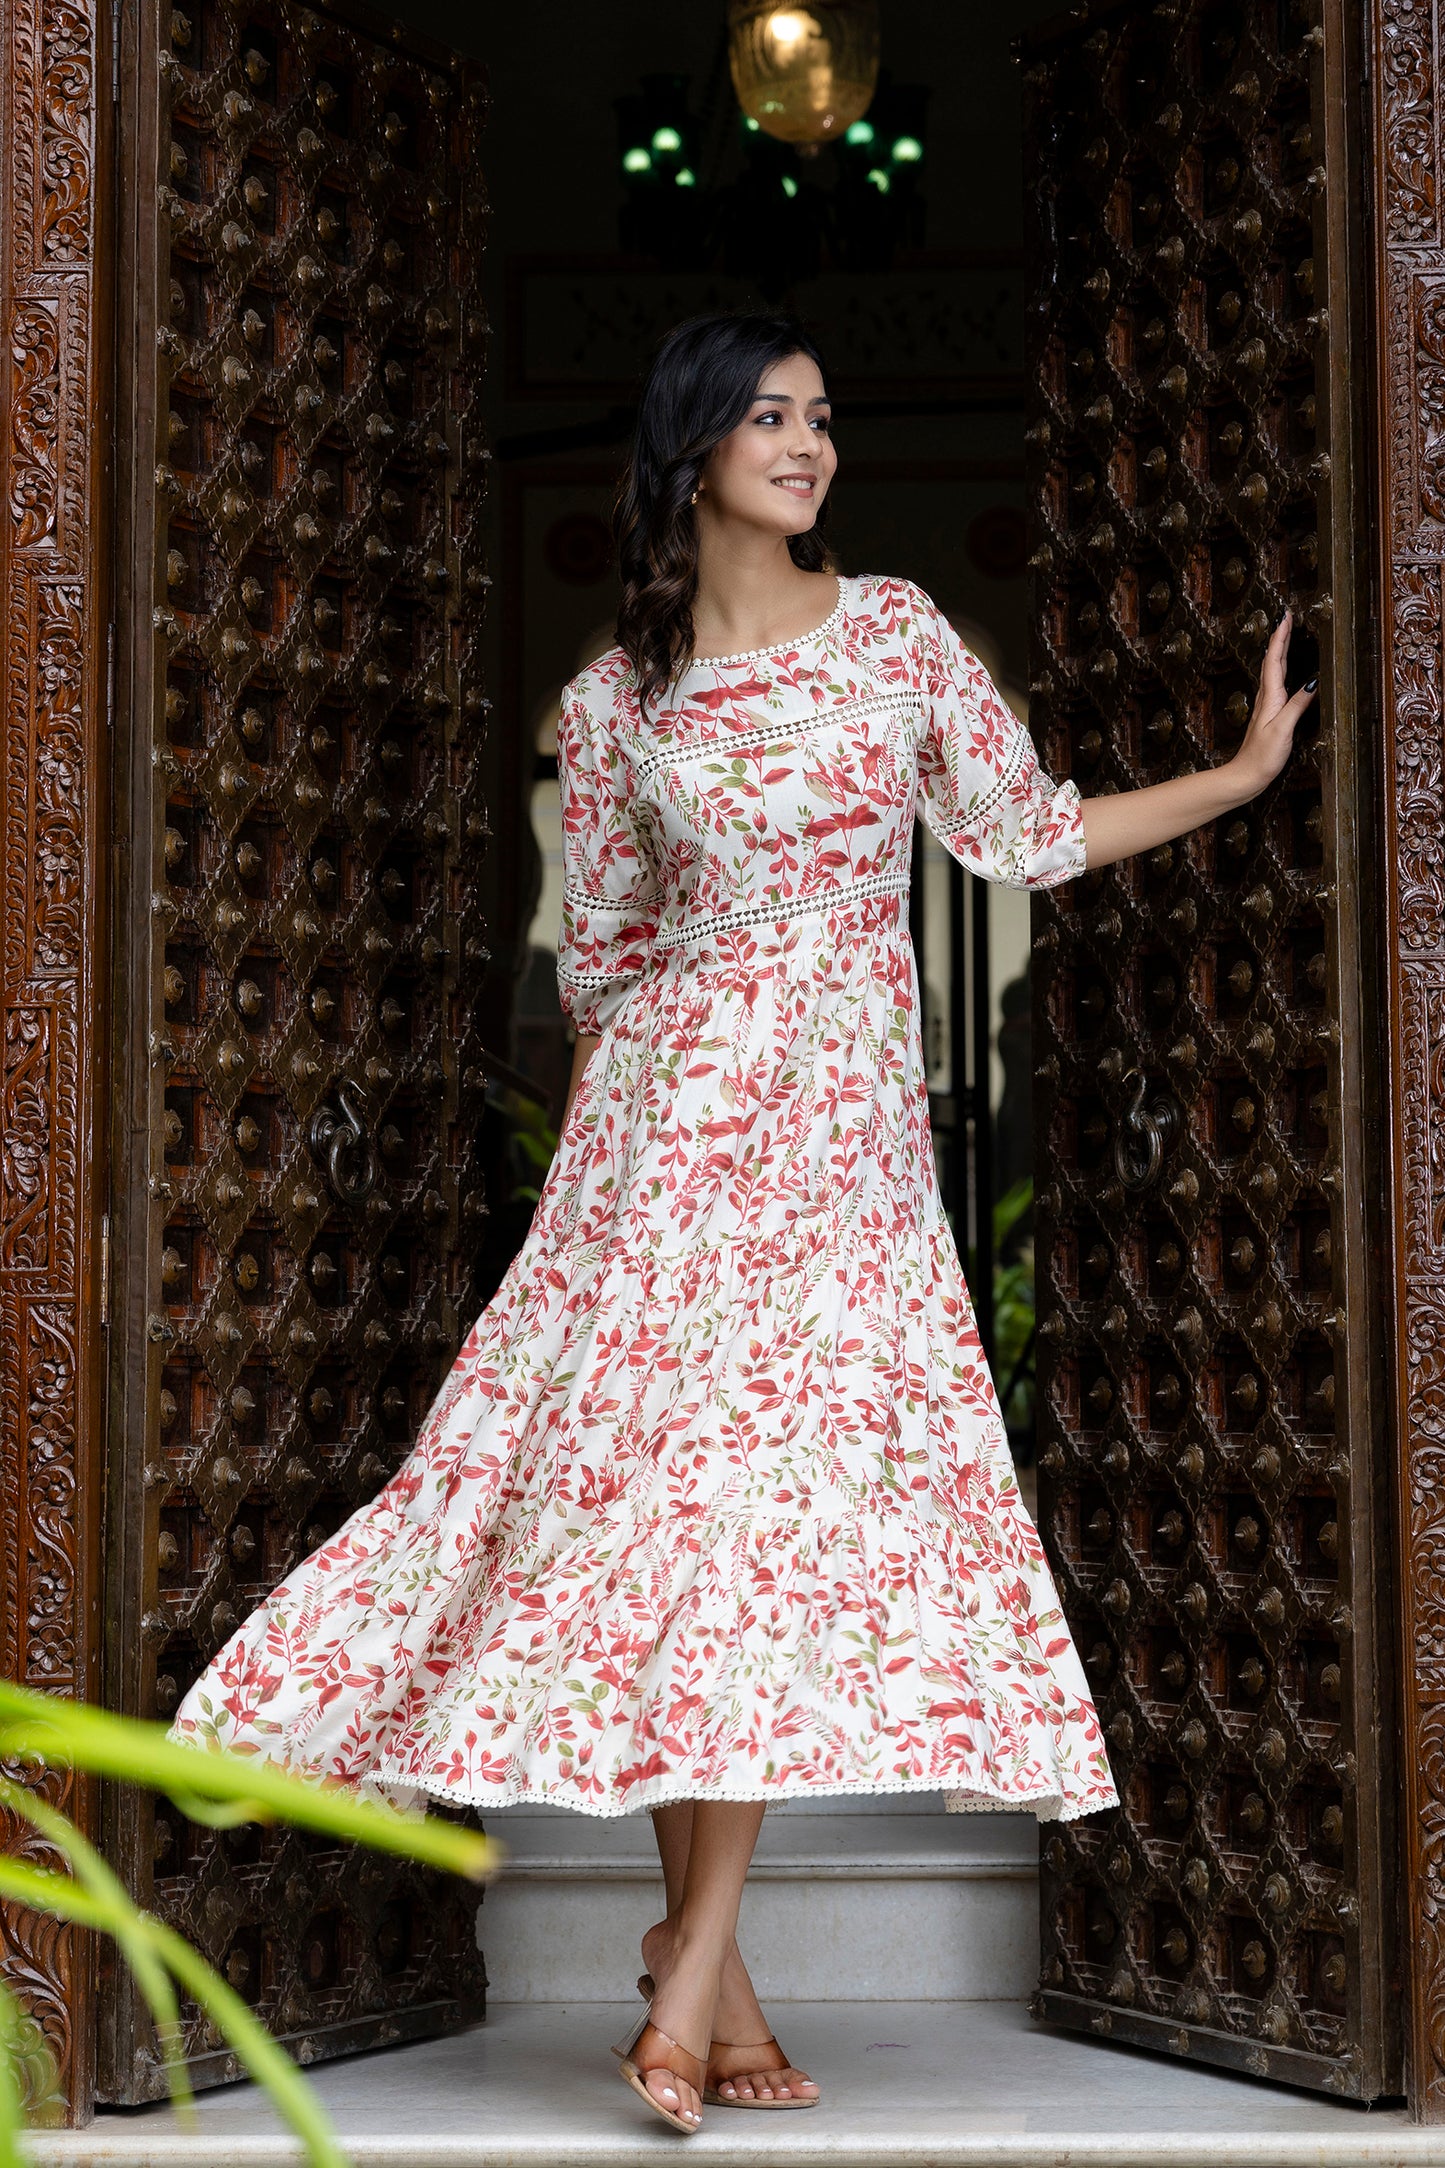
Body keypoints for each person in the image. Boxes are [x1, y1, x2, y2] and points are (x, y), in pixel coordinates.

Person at [168, 311, 1315, 2137]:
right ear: (692, 448)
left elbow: (1022, 837)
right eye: (771, 418)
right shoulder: (618, 700)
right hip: (667, 1155)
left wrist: (1238, 781)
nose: (809, 446)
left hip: (844, 1164)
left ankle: (686, 1968)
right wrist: (615, 1201)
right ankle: (707, 1980)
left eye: (824, 419)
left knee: (767, 1521)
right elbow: (609, 956)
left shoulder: (895, 635)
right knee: (687, 1536)